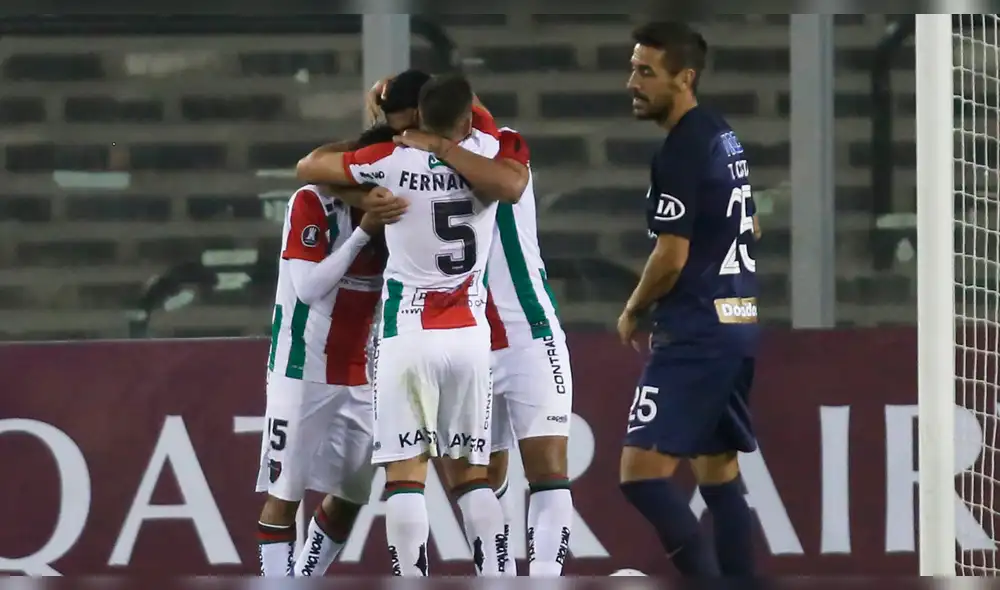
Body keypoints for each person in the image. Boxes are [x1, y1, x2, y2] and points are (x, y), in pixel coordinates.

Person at [295, 74, 518, 577]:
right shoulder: (485, 151)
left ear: (414, 114)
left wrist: (370, 158)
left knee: (405, 477)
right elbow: (481, 127)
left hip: (408, 334)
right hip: (468, 334)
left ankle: (411, 579)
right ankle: (499, 578)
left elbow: (309, 167)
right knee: (472, 478)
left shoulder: (389, 161)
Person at [375, 70, 574, 577]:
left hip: (529, 330)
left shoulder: (501, 146)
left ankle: (543, 582)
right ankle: (500, 577)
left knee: (549, 471)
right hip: (468, 337)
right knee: (485, 477)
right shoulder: (428, 157)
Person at [615, 21, 762, 577]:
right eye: (633, 68)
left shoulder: (680, 151)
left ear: (685, 77)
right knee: (718, 473)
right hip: (738, 320)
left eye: (646, 72)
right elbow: (751, 226)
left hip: (697, 331)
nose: (633, 82)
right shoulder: (723, 135)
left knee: (642, 476)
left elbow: (670, 256)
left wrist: (634, 308)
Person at [254, 124, 400, 577]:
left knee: (354, 495)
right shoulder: (313, 202)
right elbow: (309, 285)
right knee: (286, 493)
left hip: (357, 372)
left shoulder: (400, 218)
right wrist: (363, 234)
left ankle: (304, 580)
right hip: (299, 368)